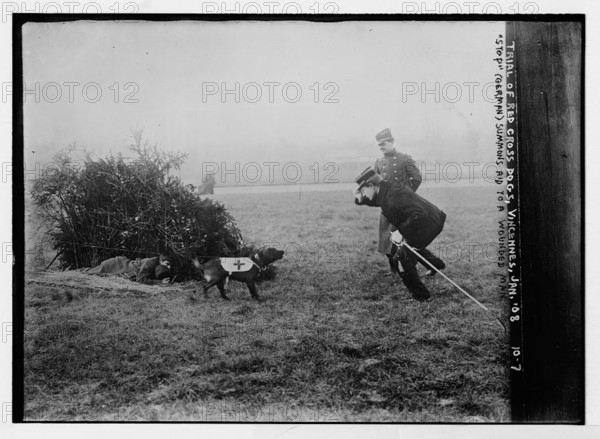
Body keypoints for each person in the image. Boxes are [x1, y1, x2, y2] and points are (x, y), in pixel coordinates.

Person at [354, 171, 446, 301]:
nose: (363, 195)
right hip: (426, 220)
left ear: (371, 186)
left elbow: (419, 214)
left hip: (429, 223)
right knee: (409, 246)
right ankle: (436, 264)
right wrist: (359, 199)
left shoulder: (393, 195)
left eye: (363, 191)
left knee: (402, 258)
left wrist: (401, 231)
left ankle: (422, 296)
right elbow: (376, 200)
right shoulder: (384, 190)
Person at [373, 128, 423, 274]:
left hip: (403, 206)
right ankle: (394, 269)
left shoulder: (405, 158)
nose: (381, 147)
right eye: (379, 145)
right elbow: (376, 182)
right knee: (386, 238)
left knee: (404, 238)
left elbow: (417, 178)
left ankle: (414, 267)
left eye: (384, 143)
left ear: (392, 142)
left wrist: (407, 196)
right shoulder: (379, 161)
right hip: (387, 207)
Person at [88, 253, 172, 284]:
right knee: (90, 273)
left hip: (122, 265)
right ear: (160, 260)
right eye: (167, 264)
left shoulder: (158, 265)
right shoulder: (151, 262)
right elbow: (141, 279)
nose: (169, 267)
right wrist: (160, 282)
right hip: (116, 265)